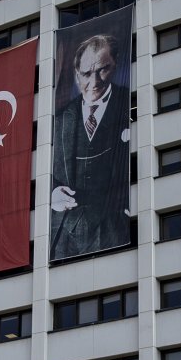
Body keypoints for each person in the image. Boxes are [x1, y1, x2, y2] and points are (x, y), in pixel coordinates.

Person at [50, 33, 131, 260]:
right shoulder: (60, 119)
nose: (94, 83)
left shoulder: (130, 104)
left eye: (102, 70)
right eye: (86, 74)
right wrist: (53, 193)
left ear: (115, 65)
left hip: (113, 230)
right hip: (64, 236)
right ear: (77, 75)